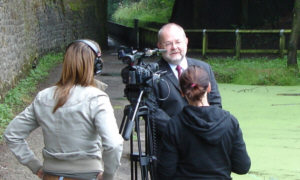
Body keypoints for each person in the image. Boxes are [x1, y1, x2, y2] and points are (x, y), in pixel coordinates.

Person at [4, 39, 123, 180]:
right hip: (88, 175)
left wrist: (35, 166)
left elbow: (12, 134)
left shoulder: (43, 97)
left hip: (50, 175)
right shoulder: (97, 98)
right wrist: (108, 176)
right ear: (96, 64)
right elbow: (114, 144)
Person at [157, 65, 251, 179]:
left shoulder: (175, 125)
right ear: (209, 87)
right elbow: (243, 167)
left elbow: (165, 172)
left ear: (182, 92)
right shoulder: (230, 122)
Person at [147, 23, 222, 136]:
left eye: (178, 42)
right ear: (159, 46)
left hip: (203, 137)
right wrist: (182, 132)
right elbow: (152, 112)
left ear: (186, 41)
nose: (174, 47)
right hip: (168, 141)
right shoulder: (151, 74)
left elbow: (215, 103)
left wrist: (205, 128)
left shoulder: (204, 68)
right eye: (168, 43)